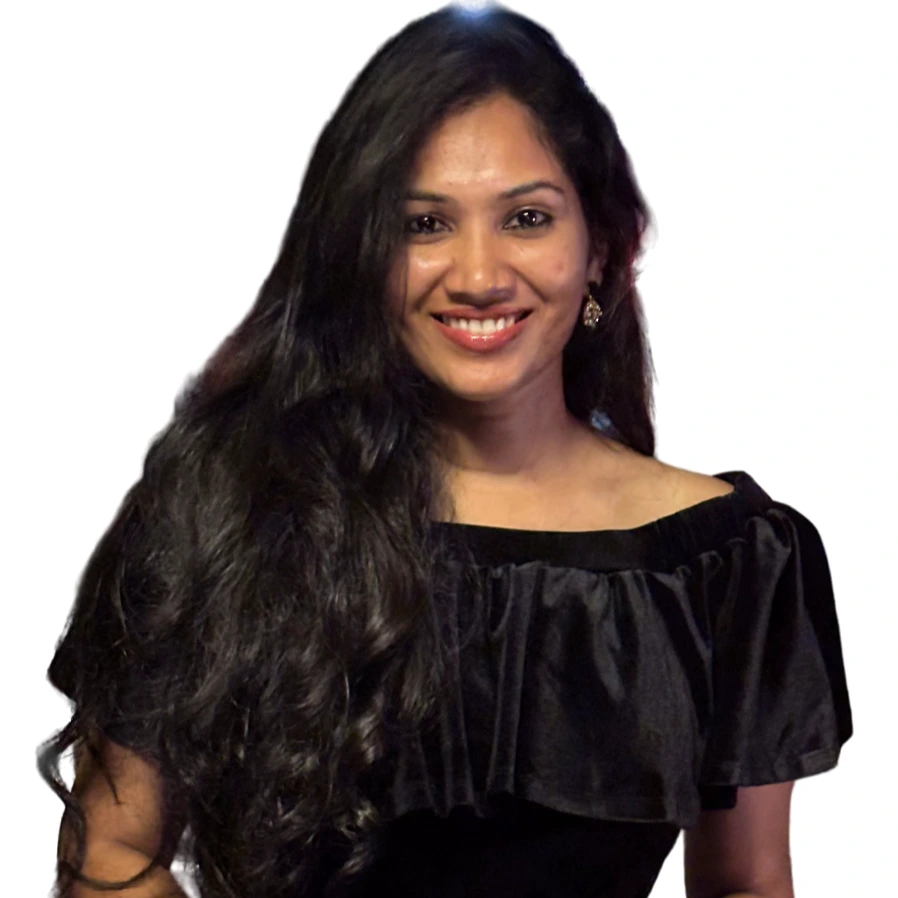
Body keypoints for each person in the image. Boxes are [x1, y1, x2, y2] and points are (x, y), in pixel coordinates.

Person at [39, 4, 853, 897]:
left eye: (527, 218)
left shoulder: (728, 563)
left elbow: (745, 884)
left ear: (601, 247)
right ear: (361, 251)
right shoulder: (225, 509)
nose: (478, 276)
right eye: (424, 224)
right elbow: (112, 856)